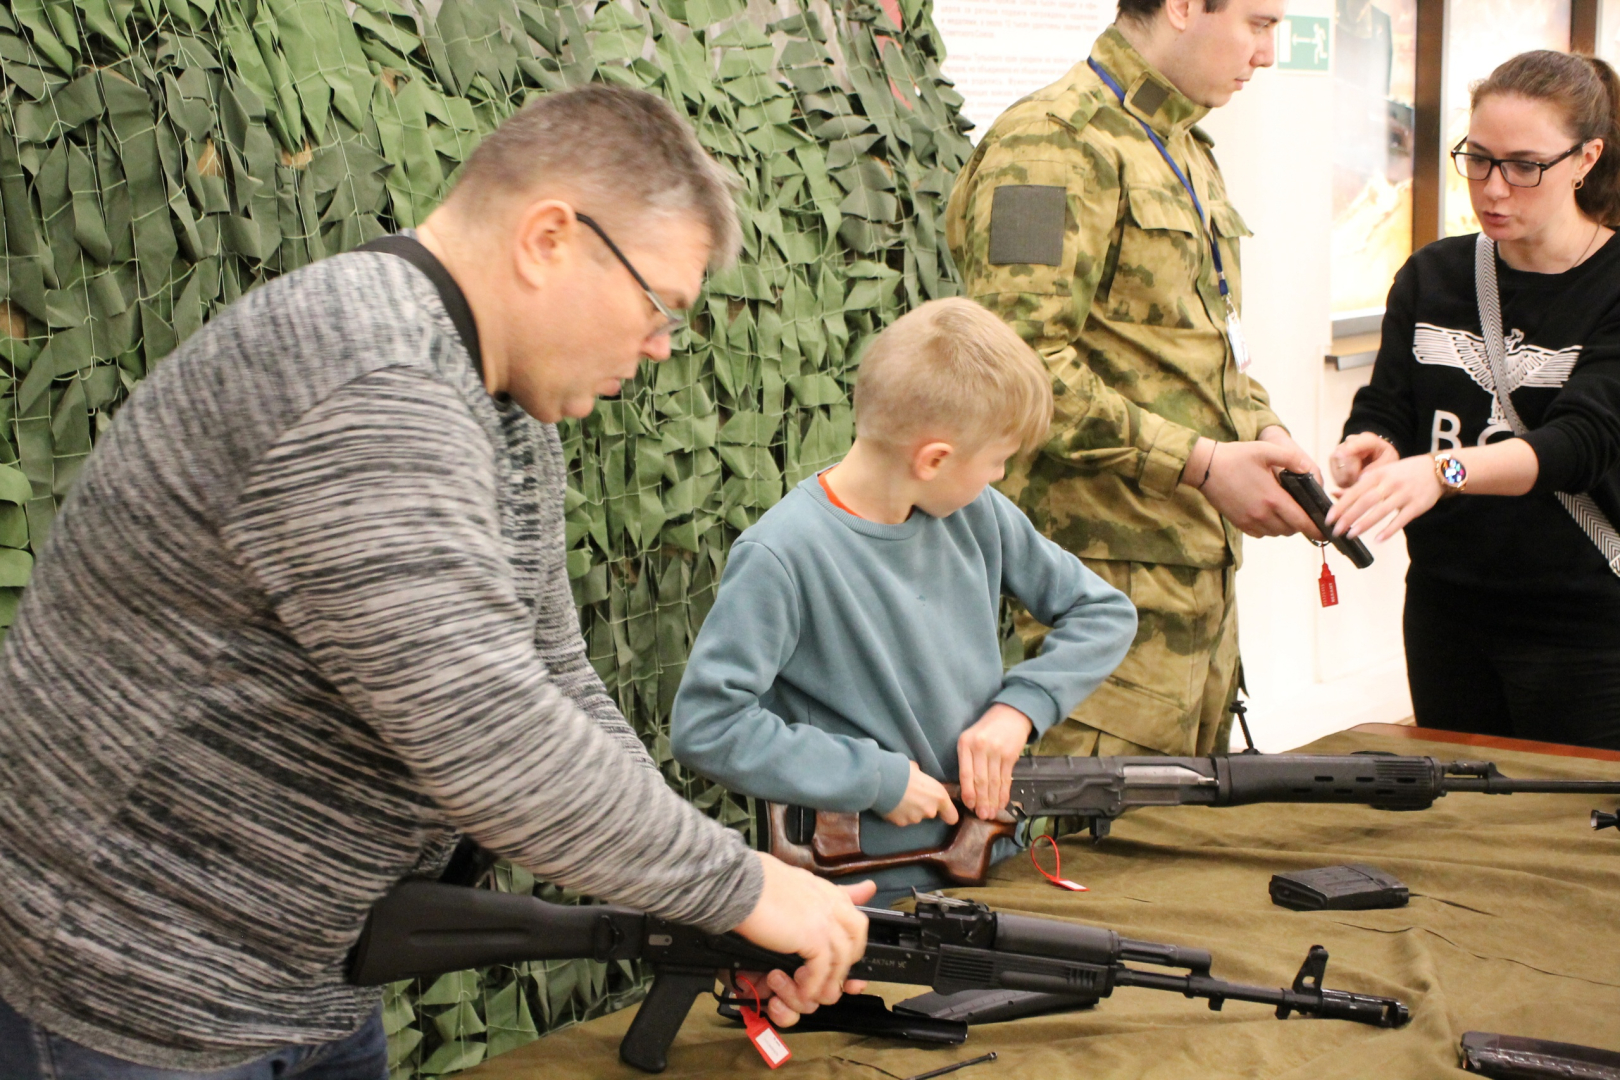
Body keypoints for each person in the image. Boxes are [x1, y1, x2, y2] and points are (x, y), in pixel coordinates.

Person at [0, 86, 872, 1079]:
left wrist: (707, 912)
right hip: (134, 1000)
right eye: (657, 305)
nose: (661, 345)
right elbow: (489, 731)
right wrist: (740, 888)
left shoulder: (501, 402)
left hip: (306, 983)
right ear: (549, 239)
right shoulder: (372, 375)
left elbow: (553, 678)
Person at [945, 0, 1321, 763]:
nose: (1268, 53)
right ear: (1181, 7)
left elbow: (1198, 343)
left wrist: (1265, 431)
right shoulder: (1053, 144)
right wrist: (1204, 464)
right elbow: (1017, 369)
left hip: (1193, 578)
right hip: (1094, 590)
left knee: (1185, 827)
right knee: (1100, 832)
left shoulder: (1181, 144)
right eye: (1258, 23)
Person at [670, 298, 1139, 900]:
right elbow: (708, 725)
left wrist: (1018, 710)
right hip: (865, 898)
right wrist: (875, 779)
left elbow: (1103, 612)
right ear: (934, 459)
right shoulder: (780, 555)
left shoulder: (979, 513)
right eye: (997, 461)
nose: (999, 477)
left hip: (995, 870)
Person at [1329, 51, 1620, 750]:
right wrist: (1372, 445)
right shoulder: (1433, 275)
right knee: (1457, 803)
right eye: (1479, 159)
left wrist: (1442, 472)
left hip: (1585, 625)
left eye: (1524, 166)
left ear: (1585, 159)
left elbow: (1579, 444)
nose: (1493, 188)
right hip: (1447, 608)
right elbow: (1390, 405)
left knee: (1575, 814)